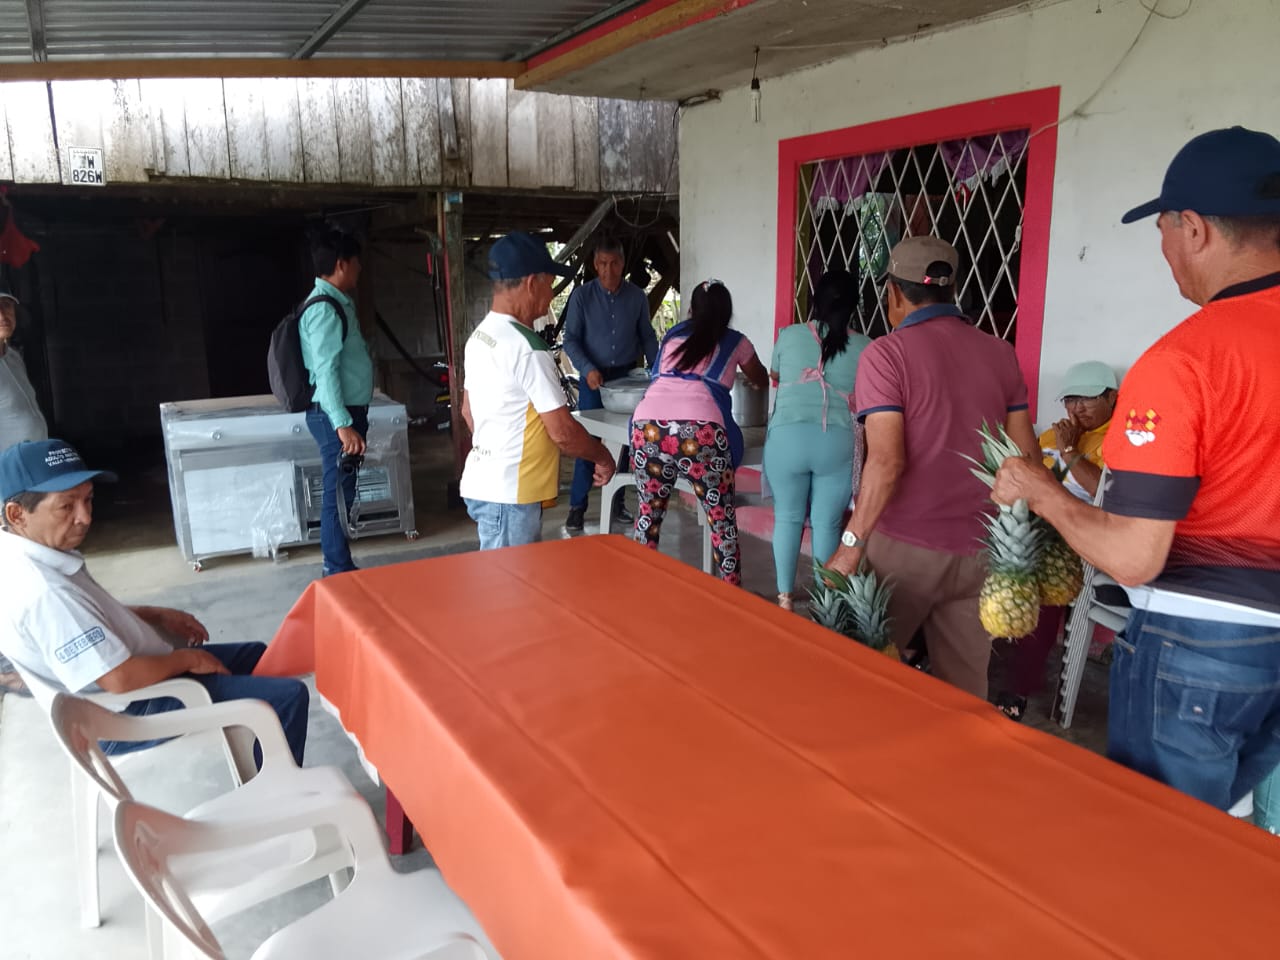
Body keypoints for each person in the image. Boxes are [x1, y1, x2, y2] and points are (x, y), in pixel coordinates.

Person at [992, 126, 1280, 812]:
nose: (1164, 249)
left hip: (1201, 642)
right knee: (1229, 824)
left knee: (1161, 837)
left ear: (1194, 229)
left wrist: (1040, 490)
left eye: (1163, 229)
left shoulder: (1186, 361)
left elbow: (1133, 556)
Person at [0, 439, 309, 764]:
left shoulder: (21, 557)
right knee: (285, 698)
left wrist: (152, 615)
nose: (85, 517)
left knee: (259, 656)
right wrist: (187, 659)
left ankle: (257, 755)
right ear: (17, 514)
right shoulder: (43, 591)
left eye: (88, 499)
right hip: (125, 712)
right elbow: (119, 678)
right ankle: (275, 788)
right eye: (66, 506)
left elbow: (80, 621)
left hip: (119, 691)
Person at [826, 236, 1035, 699]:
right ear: (951, 288)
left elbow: (887, 462)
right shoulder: (1001, 353)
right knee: (963, 693)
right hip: (981, 550)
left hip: (906, 549)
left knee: (863, 681)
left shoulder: (886, 354)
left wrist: (850, 545)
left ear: (894, 293)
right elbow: (1026, 460)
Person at [461, 232, 616, 549]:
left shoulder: (481, 336)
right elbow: (563, 433)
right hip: (510, 495)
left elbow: (468, 411)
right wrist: (603, 457)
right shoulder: (528, 348)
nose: (550, 293)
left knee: (505, 575)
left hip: (488, 484)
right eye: (550, 283)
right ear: (532, 283)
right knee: (509, 579)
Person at [995, 360, 1119, 720]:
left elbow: (1105, 495)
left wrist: (1070, 452)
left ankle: (1018, 687)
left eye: (1086, 399)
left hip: (1075, 534)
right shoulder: (1051, 436)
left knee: (1048, 589)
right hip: (1029, 523)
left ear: (1111, 397)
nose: (1076, 409)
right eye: (1070, 400)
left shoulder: (1116, 441)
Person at [630, 279, 768, 585]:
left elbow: (658, 378)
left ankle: (639, 590)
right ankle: (731, 596)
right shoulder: (737, 342)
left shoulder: (672, 336)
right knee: (721, 521)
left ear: (691, 310)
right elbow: (760, 378)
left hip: (647, 427)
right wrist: (759, 379)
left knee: (648, 516)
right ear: (727, 313)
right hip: (700, 432)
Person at [764, 268, 871, 610]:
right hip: (836, 442)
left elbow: (775, 375)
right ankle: (827, 605)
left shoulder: (789, 335)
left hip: (787, 439)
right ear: (854, 305)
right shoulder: (866, 347)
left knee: (788, 517)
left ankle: (784, 598)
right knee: (827, 523)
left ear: (815, 300)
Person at [561, 235, 660, 531]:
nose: (608, 270)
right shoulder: (582, 297)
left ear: (623, 264)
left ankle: (617, 504)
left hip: (627, 379)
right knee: (587, 441)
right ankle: (577, 507)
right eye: (603, 263)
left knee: (626, 442)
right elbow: (571, 340)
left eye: (614, 263)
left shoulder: (637, 297)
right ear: (595, 264)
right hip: (594, 379)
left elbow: (647, 336)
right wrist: (587, 368)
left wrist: (658, 371)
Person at [300, 227, 373, 578]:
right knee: (337, 495)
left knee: (342, 491)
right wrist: (342, 425)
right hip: (335, 417)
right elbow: (326, 371)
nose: (360, 269)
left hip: (344, 413)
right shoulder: (325, 309)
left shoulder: (336, 303)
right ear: (342, 264)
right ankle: (336, 569)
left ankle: (339, 565)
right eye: (356, 262)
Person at [0, 288, 48, 452]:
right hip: (8, 463)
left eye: (6, 305)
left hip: (34, 455)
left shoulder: (13, 357)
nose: (2, 315)